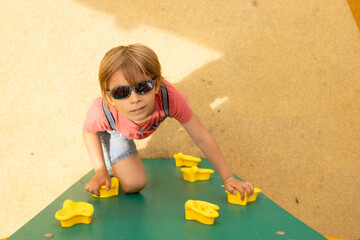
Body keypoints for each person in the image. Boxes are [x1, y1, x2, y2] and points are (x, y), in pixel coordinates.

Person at [83, 43, 254, 199]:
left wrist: (228, 177)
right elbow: (89, 131)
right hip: (116, 131)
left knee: (135, 184)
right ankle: (109, 158)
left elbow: (201, 137)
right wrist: (100, 170)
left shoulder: (171, 98)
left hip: (136, 126)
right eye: (121, 92)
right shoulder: (102, 111)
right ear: (109, 97)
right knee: (133, 184)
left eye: (143, 87)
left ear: (157, 85)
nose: (134, 99)